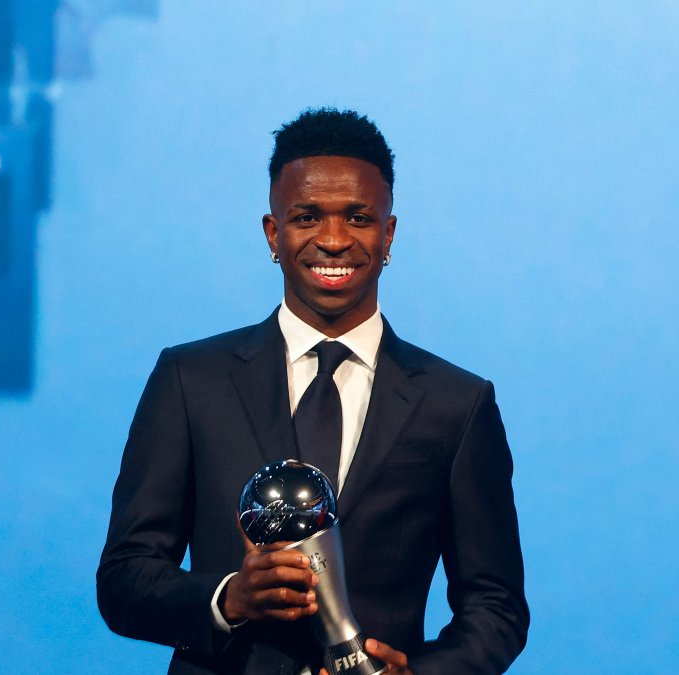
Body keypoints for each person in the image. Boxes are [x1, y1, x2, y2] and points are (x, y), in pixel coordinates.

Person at [97, 108, 529, 674]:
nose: (332, 240)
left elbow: (496, 607)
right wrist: (229, 599)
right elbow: (125, 578)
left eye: (357, 217)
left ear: (389, 233)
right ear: (274, 234)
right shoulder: (190, 380)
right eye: (306, 217)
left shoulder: (457, 405)